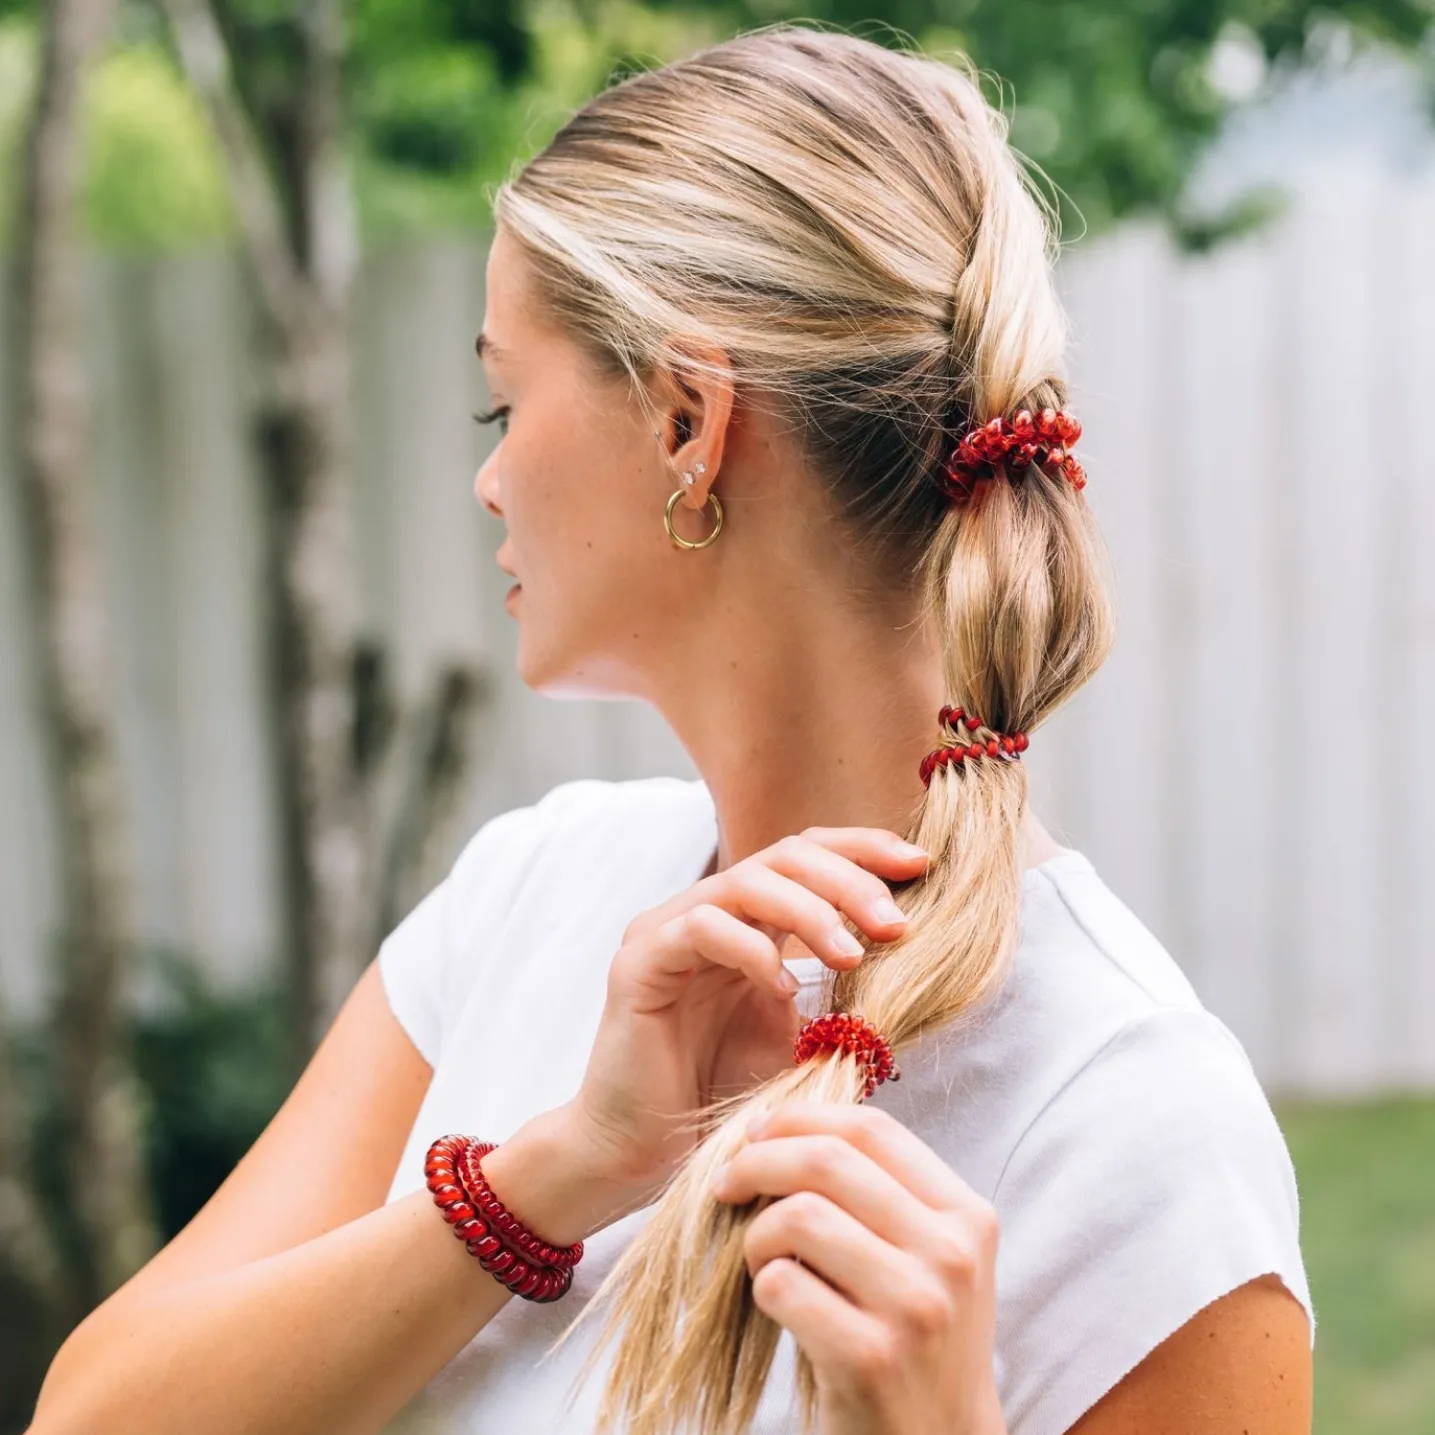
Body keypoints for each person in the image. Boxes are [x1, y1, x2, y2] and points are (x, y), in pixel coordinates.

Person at [29, 22, 1314, 1435]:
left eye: (501, 399)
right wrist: (556, 1171)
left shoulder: (1130, 1128)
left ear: (689, 423)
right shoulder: (525, 892)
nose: (486, 477)